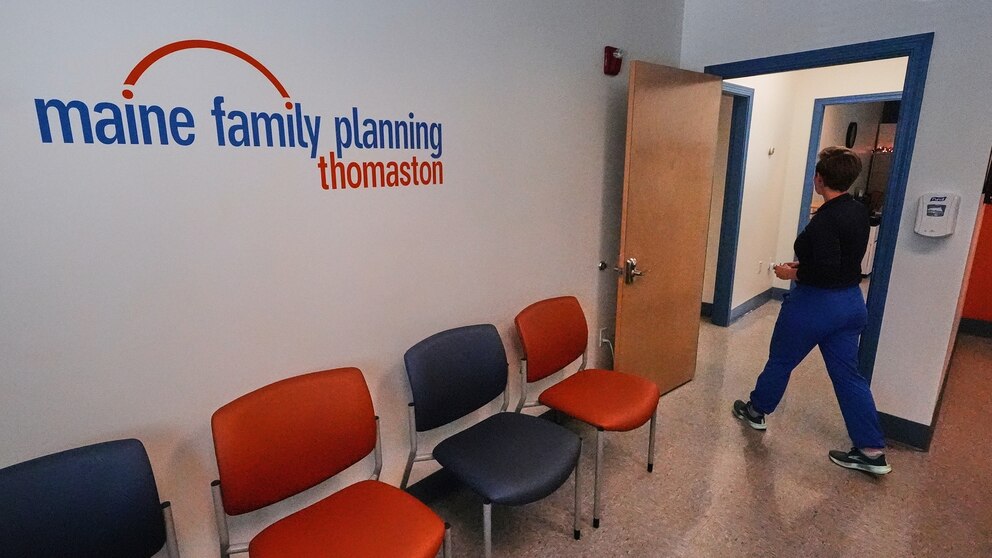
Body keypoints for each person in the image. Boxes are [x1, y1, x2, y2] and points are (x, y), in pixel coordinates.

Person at [732, 146, 891, 475]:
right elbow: (840, 260)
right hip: (851, 304)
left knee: (781, 360)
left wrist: (791, 273)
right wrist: (804, 266)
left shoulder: (824, 221)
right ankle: (871, 451)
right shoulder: (858, 210)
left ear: (819, 179)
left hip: (816, 305)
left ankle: (756, 411)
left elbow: (825, 270)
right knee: (849, 376)